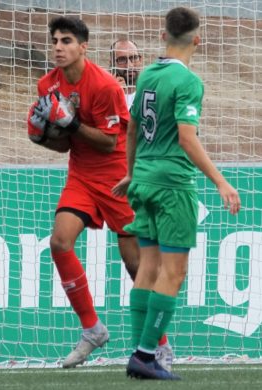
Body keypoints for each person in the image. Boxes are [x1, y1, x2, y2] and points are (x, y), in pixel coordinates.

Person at [112, 6, 240, 380]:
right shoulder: (189, 82)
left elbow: (132, 130)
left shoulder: (148, 72)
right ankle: (147, 354)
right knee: (174, 271)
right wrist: (220, 180)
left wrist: (132, 174)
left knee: (147, 269)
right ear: (198, 40)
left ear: (163, 36)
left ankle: (141, 356)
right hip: (172, 186)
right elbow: (187, 138)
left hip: (144, 182)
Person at [27, 16, 139, 368]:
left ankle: (159, 345)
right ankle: (92, 329)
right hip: (81, 175)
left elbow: (108, 143)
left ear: (83, 47)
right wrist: (44, 136)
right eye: (55, 41)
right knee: (59, 243)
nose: (58, 47)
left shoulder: (106, 86)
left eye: (66, 41)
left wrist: (70, 123)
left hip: (118, 175)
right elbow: (64, 145)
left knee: (136, 266)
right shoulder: (48, 84)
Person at [110, 38, 175, 372]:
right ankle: (152, 348)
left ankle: (154, 346)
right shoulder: (108, 93)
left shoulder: (152, 89)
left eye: (134, 57)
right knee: (136, 267)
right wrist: (115, 93)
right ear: (113, 64)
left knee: (159, 268)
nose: (129, 64)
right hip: (120, 187)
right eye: (122, 59)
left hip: (152, 184)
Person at [109, 39, 143, 109]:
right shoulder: (104, 94)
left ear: (140, 59)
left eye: (133, 58)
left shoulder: (150, 91)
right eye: (122, 59)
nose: (129, 66)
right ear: (111, 63)